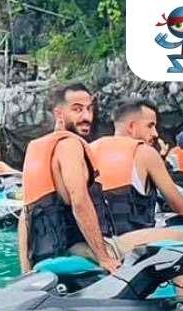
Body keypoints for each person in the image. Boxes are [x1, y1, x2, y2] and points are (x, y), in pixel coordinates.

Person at [89, 98, 183, 301]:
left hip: (96, 246)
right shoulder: (144, 153)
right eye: (150, 125)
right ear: (132, 127)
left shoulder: (89, 150)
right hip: (124, 244)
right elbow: (182, 206)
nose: (155, 133)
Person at [17, 83, 118, 274]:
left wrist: (26, 272)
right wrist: (104, 258)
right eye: (77, 110)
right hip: (78, 249)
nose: (87, 117)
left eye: (89, 109)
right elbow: (79, 200)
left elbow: (26, 215)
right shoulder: (70, 145)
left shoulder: (37, 150)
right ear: (59, 114)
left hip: (45, 256)